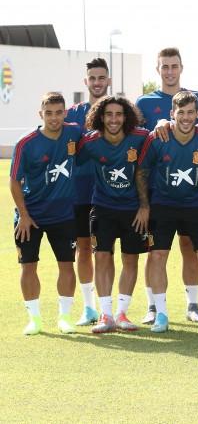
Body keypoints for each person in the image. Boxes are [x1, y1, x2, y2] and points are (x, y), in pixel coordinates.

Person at [136, 91, 198, 332]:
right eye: (181, 113)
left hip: (197, 206)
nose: (186, 118)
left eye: (190, 112)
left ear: (197, 114)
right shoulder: (157, 138)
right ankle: (161, 314)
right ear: (172, 114)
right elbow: (142, 172)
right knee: (158, 256)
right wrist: (145, 205)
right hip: (162, 206)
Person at [136, 48, 198, 324]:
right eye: (164, 66)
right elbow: (137, 138)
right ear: (157, 69)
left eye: (174, 66)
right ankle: (153, 306)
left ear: (181, 67)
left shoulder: (195, 97)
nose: (169, 71)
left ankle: (193, 305)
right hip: (158, 193)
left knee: (189, 246)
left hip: (191, 193)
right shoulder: (144, 102)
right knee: (155, 252)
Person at [77, 96, 150, 333]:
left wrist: (144, 206)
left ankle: (121, 313)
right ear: (101, 117)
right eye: (109, 114)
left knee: (131, 259)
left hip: (133, 210)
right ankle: (105, 314)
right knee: (102, 257)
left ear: (126, 117)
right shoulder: (90, 142)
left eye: (118, 114)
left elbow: (148, 166)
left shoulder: (140, 137)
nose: (114, 119)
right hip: (103, 207)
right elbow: (69, 158)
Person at [11, 92, 82, 335]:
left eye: (58, 112)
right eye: (49, 113)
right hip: (31, 217)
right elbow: (14, 181)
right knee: (28, 266)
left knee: (67, 265)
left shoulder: (74, 133)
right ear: (40, 114)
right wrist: (24, 215)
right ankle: (35, 319)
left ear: (65, 113)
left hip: (63, 215)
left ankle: (65, 317)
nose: (54, 118)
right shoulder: (26, 143)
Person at [65, 58, 111, 326]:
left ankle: (110, 308)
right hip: (80, 194)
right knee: (83, 248)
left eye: (101, 77)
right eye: (92, 78)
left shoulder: (118, 111)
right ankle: (89, 307)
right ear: (86, 82)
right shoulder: (72, 114)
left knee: (107, 252)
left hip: (112, 193)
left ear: (108, 80)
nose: (97, 82)